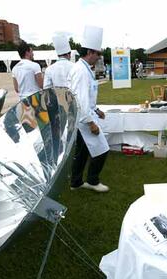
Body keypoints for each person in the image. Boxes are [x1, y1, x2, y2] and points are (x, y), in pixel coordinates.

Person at [68, 25, 110, 193]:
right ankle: (93, 180)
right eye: (98, 54)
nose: (99, 57)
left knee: (82, 153)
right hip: (84, 119)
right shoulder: (81, 71)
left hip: (85, 115)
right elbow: (80, 99)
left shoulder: (84, 69)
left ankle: (76, 182)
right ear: (90, 52)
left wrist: (97, 109)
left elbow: (88, 97)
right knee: (102, 150)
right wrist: (91, 122)